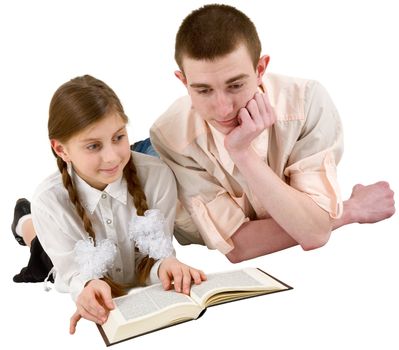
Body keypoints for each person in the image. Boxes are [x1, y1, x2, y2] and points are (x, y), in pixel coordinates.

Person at [149, 4, 395, 262]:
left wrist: (241, 153)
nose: (223, 108)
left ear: (260, 70)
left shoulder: (307, 102)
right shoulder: (169, 135)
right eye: (203, 90)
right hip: (158, 168)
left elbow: (313, 234)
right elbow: (239, 247)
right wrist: (348, 210)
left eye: (235, 85)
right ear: (183, 81)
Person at [10, 75, 206, 334]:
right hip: (62, 252)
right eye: (93, 146)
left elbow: (150, 259)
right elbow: (76, 276)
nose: (112, 157)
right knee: (38, 249)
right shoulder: (50, 202)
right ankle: (24, 219)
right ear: (61, 150)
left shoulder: (157, 176)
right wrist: (87, 286)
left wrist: (165, 266)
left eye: (118, 137)